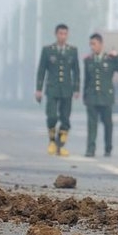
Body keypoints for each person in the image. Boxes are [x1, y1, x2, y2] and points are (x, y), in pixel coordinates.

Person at [35, 23, 80, 156]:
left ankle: (61, 146)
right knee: (52, 116)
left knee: (65, 119)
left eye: (65, 34)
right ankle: (52, 142)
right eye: (60, 33)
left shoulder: (72, 50)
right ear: (56, 34)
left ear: (67, 35)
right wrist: (38, 89)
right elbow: (41, 70)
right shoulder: (48, 50)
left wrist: (76, 88)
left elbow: (76, 71)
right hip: (52, 88)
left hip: (67, 89)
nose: (63, 36)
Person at [82, 33, 118, 157]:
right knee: (91, 124)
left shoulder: (110, 59)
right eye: (90, 44)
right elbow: (86, 79)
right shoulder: (88, 60)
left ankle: (108, 148)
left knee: (108, 124)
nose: (92, 47)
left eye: (94, 44)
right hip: (92, 97)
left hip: (106, 97)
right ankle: (90, 149)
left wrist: (117, 56)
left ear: (101, 44)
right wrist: (85, 95)